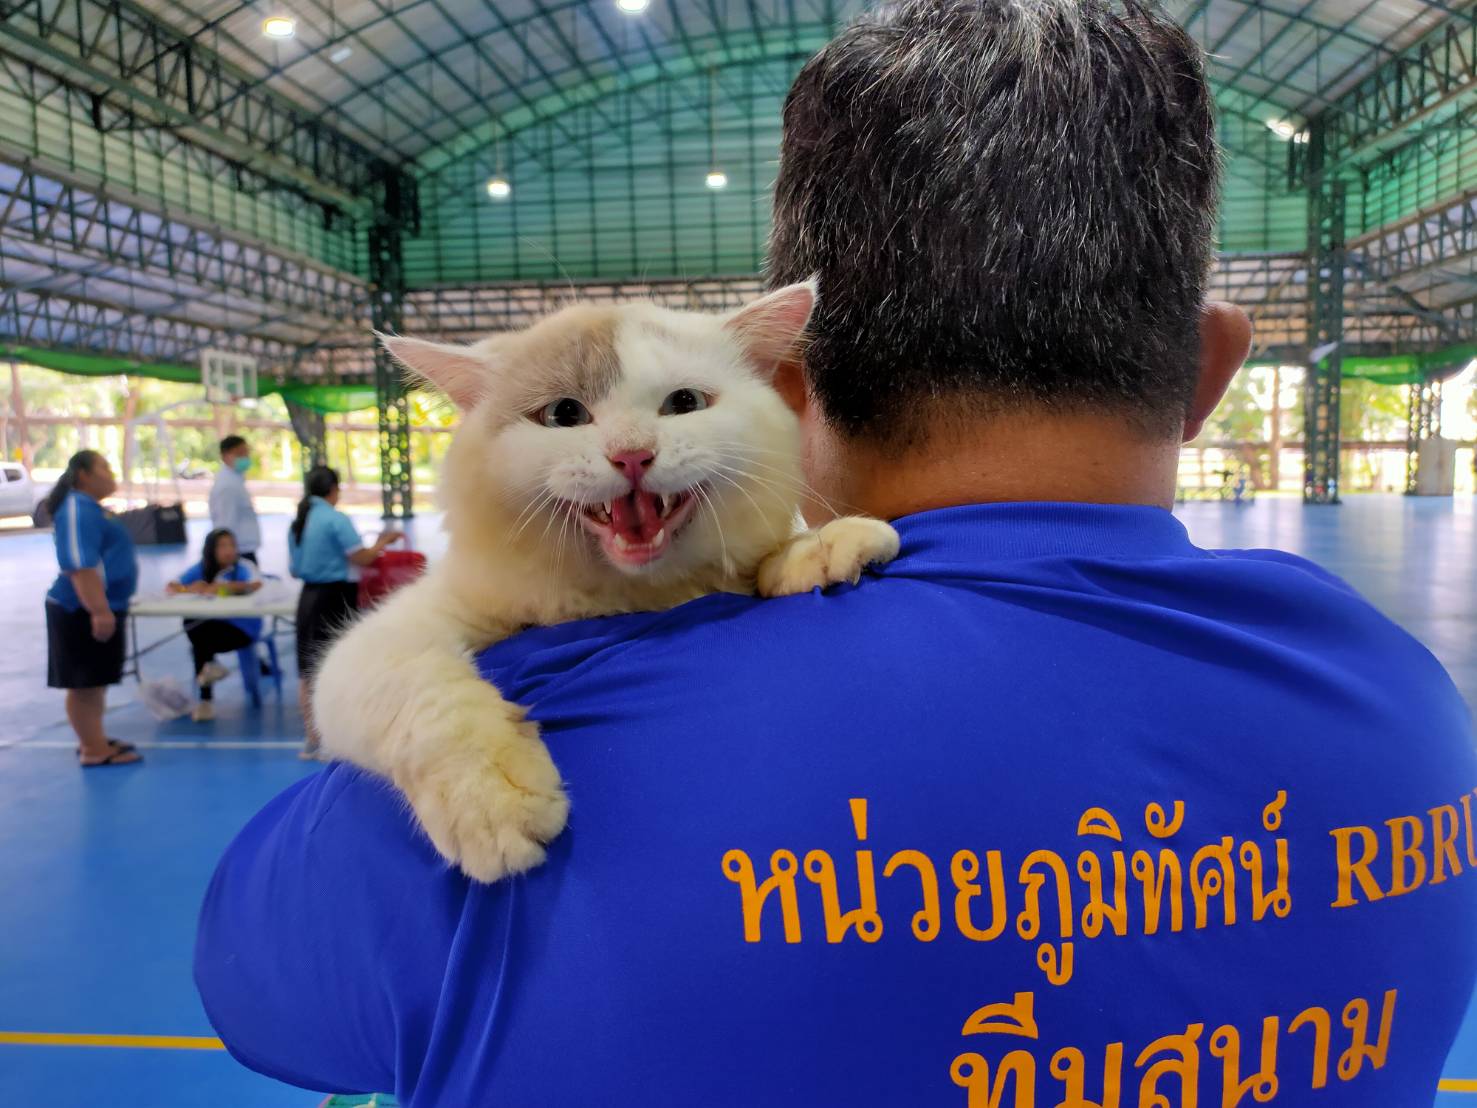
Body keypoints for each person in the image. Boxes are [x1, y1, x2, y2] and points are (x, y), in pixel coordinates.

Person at [196, 2, 1477, 1104]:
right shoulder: (1409, 703)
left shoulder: (550, 723)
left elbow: (253, 991)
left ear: (791, 393)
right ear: (1208, 371)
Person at [286, 465, 401, 758]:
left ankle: (312, 737)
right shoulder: (334, 519)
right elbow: (361, 558)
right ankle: (331, 738)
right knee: (331, 665)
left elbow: (294, 568)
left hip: (308, 597)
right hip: (334, 597)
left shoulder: (298, 522)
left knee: (307, 668)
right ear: (333, 490)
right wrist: (383, 542)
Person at [44, 450, 142, 767]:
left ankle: (94, 737)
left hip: (100, 604)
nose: (110, 473)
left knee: (95, 681)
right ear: (84, 474)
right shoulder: (76, 509)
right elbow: (79, 566)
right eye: (104, 467)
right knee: (83, 683)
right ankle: (92, 749)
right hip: (79, 610)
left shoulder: (92, 509)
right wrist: (98, 610)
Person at [165, 528, 263, 723]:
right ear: (211, 549)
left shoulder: (244, 567)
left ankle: (206, 698)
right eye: (222, 546)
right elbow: (172, 586)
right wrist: (189, 588)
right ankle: (209, 682)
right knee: (192, 622)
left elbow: (257, 584)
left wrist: (227, 587)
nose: (229, 550)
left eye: (232, 545)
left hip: (241, 628)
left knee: (199, 644)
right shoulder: (201, 568)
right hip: (212, 628)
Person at [208, 435, 260, 565]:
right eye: (239, 453)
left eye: (246, 453)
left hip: (242, 549)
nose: (245, 457)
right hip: (235, 553)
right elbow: (225, 524)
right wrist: (226, 553)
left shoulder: (236, 480)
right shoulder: (228, 486)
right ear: (225, 456)